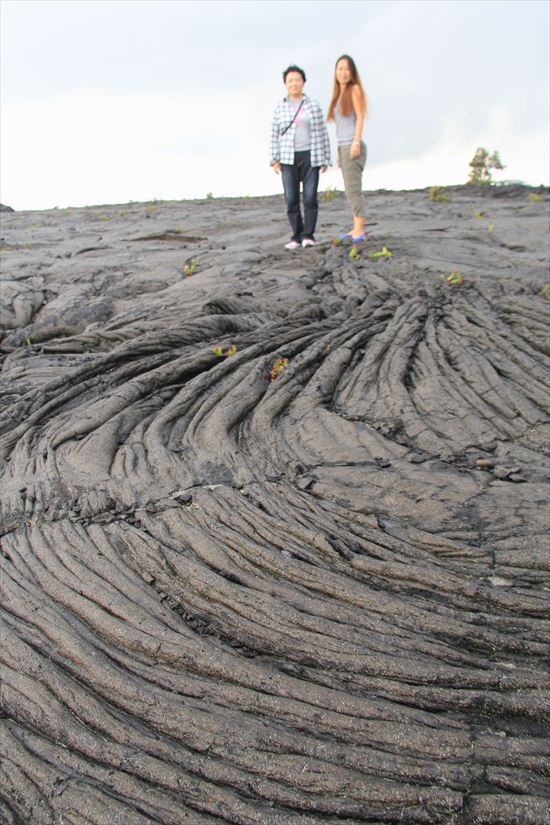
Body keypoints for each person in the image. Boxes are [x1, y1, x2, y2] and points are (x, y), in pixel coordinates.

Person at [270, 65, 331, 249]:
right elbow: (274, 134)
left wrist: (325, 158)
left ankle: (308, 235)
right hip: (288, 158)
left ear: (303, 82)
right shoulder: (280, 107)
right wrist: (274, 159)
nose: (294, 84)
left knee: (310, 197)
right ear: (285, 84)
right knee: (291, 198)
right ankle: (296, 236)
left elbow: (322, 132)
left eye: (297, 80)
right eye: (290, 81)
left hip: (311, 155)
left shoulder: (312, 105)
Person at [327, 55, 368, 243]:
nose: (343, 73)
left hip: (353, 145)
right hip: (343, 146)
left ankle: (360, 229)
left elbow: (360, 117)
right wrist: (338, 151)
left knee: (353, 189)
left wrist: (356, 142)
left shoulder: (354, 90)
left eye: (346, 69)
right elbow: (339, 128)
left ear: (352, 72)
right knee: (348, 189)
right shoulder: (338, 95)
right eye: (339, 69)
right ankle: (355, 226)